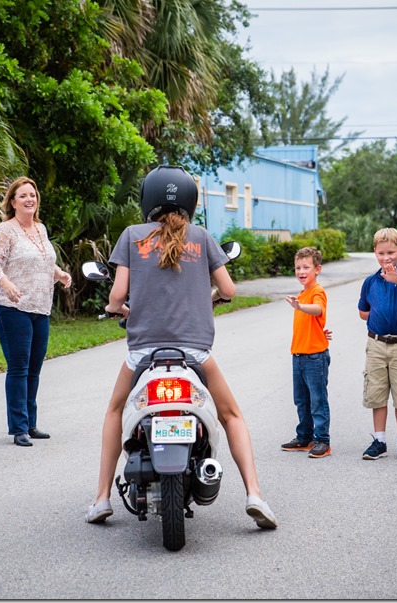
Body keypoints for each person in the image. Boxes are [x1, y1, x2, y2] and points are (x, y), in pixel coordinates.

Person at [85, 165, 277, 529]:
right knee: (231, 415)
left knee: (114, 411)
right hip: (195, 354)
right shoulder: (202, 237)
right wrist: (211, 296)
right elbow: (231, 291)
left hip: (143, 353)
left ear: (148, 201)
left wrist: (116, 308)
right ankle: (255, 495)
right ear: (190, 201)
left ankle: (101, 499)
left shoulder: (132, 235)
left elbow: (116, 294)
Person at [0, 177, 72, 447]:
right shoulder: (5, 230)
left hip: (39, 306)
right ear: (13, 202)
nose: (29, 199)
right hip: (10, 307)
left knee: (34, 368)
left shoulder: (40, 229)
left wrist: (59, 274)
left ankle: (31, 424)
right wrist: (7, 284)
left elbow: (42, 261)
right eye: (22, 195)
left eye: (32, 194)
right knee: (19, 367)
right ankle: (19, 428)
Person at [358, 228, 397, 462]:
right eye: (382, 253)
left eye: (391, 252)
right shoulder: (369, 282)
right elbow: (363, 312)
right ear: (375, 253)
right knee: (377, 392)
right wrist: (376, 315)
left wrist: (395, 277)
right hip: (376, 345)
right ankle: (379, 440)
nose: (387, 257)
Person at [281, 246, 332, 459]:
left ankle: (323, 440)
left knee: (317, 400)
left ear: (317, 269)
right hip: (299, 356)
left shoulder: (316, 292)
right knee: (301, 400)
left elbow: (318, 309)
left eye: (306, 267)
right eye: (298, 267)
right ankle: (305, 437)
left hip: (314, 358)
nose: (301, 271)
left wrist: (301, 307)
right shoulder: (302, 294)